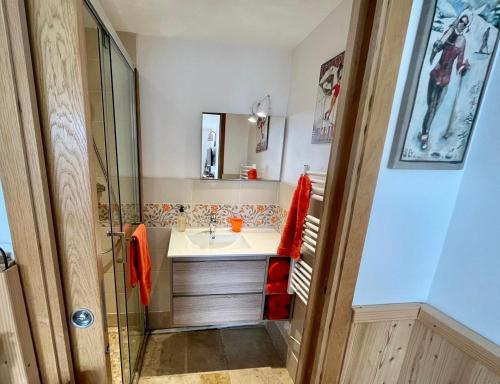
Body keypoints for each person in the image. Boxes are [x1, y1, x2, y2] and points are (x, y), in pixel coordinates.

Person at [419, 15, 470, 150]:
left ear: (466, 27)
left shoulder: (462, 41)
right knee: (431, 107)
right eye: (461, 21)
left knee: (434, 109)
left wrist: (463, 68)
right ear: (458, 21)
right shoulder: (449, 32)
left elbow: (459, 63)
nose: (462, 24)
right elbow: (437, 48)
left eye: (465, 24)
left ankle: (425, 134)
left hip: (446, 80)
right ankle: (424, 133)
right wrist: (437, 45)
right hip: (435, 74)